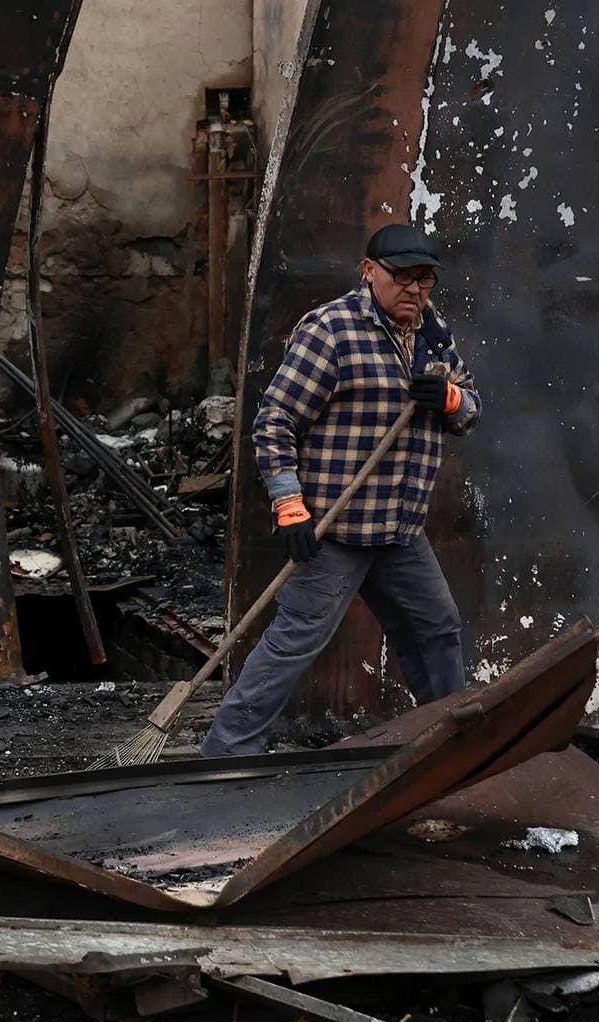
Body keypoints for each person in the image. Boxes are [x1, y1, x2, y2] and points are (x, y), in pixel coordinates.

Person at [201, 223, 481, 758]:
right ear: (369, 271)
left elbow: (471, 410)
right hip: (337, 529)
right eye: (400, 277)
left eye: (423, 279)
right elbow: (275, 421)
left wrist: (447, 399)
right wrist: (289, 506)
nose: (413, 289)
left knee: (436, 627)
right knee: (295, 642)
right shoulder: (331, 330)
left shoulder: (432, 335)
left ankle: (454, 746)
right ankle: (224, 759)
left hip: (399, 530)